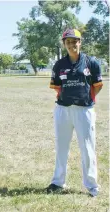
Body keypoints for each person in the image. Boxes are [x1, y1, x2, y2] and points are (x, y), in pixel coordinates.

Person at [47, 29, 103, 197]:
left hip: (84, 110)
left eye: (74, 41)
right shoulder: (59, 65)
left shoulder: (91, 62)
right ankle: (58, 182)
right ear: (64, 44)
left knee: (87, 148)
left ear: (80, 42)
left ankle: (92, 186)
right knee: (61, 147)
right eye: (68, 41)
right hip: (63, 109)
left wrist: (83, 97)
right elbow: (56, 86)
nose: (72, 44)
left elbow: (97, 86)